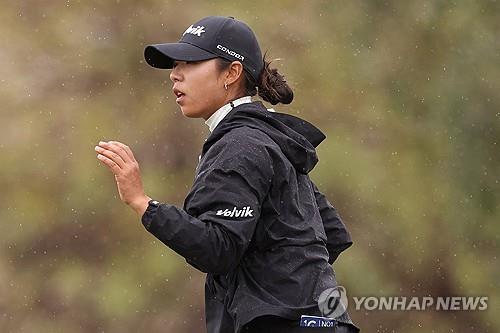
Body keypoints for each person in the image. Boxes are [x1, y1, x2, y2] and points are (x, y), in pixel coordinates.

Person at [94, 16, 360, 333]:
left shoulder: (240, 144)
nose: (174, 76)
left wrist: (142, 202)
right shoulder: (270, 138)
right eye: (175, 65)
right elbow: (331, 233)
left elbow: (217, 249)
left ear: (232, 73)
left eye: (190, 63)